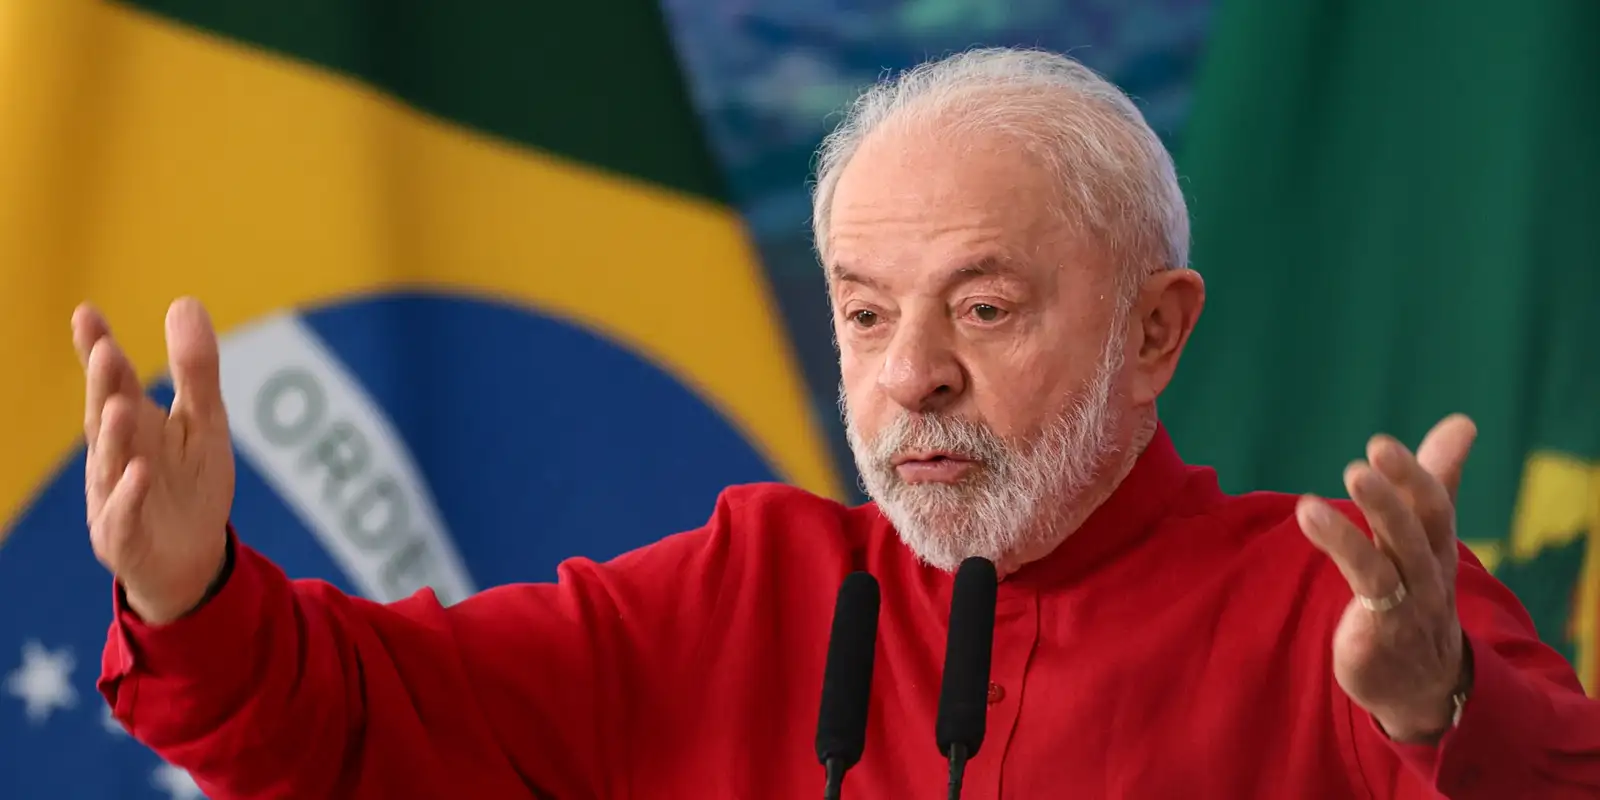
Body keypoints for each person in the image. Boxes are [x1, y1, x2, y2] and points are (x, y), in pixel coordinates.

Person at [80, 48, 1597, 799]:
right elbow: (354, 724)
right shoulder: (749, 592)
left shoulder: (1338, 610)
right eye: (866, 315)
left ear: (1155, 331)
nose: (911, 374)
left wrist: (1439, 706)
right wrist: (189, 592)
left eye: (983, 309)